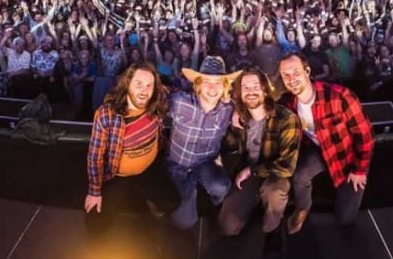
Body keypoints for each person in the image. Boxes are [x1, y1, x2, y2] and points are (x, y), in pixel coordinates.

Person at [278, 52, 374, 234]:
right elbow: (266, 109)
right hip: (319, 149)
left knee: (346, 218)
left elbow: (366, 136)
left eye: (296, 72)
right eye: (286, 75)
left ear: (307, 71)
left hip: (348, 155)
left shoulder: (340, 96)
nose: (291, 79)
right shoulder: (289, 102)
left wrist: (359, 170)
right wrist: (238, 114)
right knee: (300, 174)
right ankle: (302, 208)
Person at [84, 62, 180, 235]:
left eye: (149, 86)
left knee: (173, 202)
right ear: (127, 83)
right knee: (95, 224)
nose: (144, 90)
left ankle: (149, 201)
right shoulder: (107, 114)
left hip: (149, 169)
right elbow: (94, 156)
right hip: (117, 175)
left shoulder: (158, 101)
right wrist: (94, 191)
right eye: (139, 84)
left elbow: (176, 92)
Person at [218, 68, 301, 237]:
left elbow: (287, 166)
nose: (251, 92)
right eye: (246, 88)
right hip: (249, 176)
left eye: (255, 86)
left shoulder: (286, 118)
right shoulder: (238, 118)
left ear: (264, 89)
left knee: (274, 191)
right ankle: (254, 199)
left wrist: (251, 170)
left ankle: (272, 228)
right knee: (227, 227)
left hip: (275, 174)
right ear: (240, 93)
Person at [166, 56, 241, 230]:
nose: (213, 88)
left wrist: (237, 108)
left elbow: (252, 103)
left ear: (224, 87)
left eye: (218, 82)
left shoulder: (228, 109)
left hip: (206, 164)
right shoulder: (179, 101)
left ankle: (207, 198)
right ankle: (183, 196)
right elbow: (155, 98)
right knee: (184, 223)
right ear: (198, 84)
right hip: (177, 166)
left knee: (221, 187)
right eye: (207, 81)